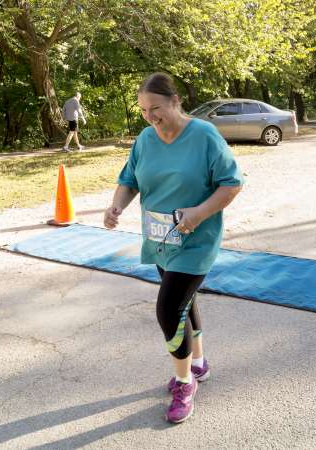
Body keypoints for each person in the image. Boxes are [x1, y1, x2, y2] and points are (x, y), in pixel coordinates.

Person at [103, 72, 244, 423]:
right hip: (160, 239)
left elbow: (232, 183)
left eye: (157, 108)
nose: (151, 116)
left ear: (176, 101)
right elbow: (128, 180)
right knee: (185, 303)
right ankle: (197, 363)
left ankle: (184, 383)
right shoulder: (146, 140)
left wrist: (198, 213)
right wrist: (116, 205)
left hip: (196, 240)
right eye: (144, 110)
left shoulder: (204, 135)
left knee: (168, 310)